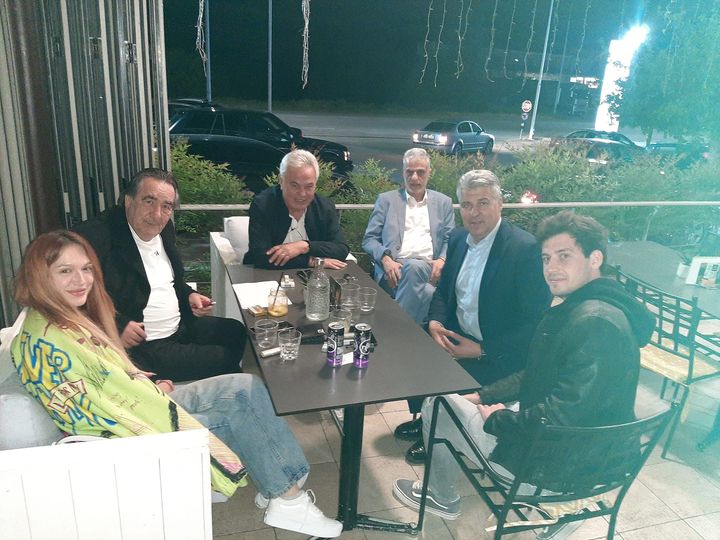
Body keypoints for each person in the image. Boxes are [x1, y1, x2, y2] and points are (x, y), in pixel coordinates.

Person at [11, 231, 343, 538]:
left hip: (145, 404)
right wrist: (152, 397)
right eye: (65, 271)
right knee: (239, 414)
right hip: (137, 435)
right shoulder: (47, 343)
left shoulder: (65, 319)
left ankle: (279, 484)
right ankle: (289, 500)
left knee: (246, 387)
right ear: (40, 275)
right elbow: (100, 416)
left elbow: (109, 381)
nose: (81, 280)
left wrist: (151, 386)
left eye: (86, 269)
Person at [392, 211, 655, 540]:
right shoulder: (594, 307)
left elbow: (560, 418)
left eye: (564, 256)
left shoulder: (593, 322)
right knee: (462, 400)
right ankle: (552, 506)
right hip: (582, 453)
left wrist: (498, 420)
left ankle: (443, 496)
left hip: (558, 468)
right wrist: (484, 396)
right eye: (546, 258)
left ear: (595, 259)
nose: (551, 268)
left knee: (438, 403)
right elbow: (537, 375)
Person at [394, 169, 550, 464]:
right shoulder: (458, 238)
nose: (474, 213)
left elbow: (535, 323)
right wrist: (436, 322)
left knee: (453, 383)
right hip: (457, 334)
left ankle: (437, 434)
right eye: (466, 205)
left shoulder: (524, 249)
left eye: (483, 203)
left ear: (500, 204)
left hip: (497, 351)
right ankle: (426, 418)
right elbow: (443, 292)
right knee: (415, 348)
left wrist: (482, 349)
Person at [74, 168, 246, 381]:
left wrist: (188, 294)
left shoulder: (165, 229)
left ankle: (220, 380)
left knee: (236, 331)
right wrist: (117, 325)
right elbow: (69, 296)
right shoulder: (95, 237)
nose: (157, 215)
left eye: (167, 206)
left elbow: (169, 278)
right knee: (222, 359)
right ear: (128, 200)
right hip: (144, 345)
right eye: (149, 201)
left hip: (179, 326)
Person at [362, 148, 455, 324]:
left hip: (429, 269)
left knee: (414, 267)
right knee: (428, 293)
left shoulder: (443, 202)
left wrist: (442, 259)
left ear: (429, 172)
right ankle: (411, 332)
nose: (414, 178)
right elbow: (369, 239)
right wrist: (386, 260)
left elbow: (450, 239)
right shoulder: (387, 200)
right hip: (394, 270)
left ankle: (398, 330)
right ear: (403, 172)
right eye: (409, 172)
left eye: (420, 172)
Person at [244, 149, 349, 269]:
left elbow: (341, 249)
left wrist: (304, 246)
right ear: (281, 181)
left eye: (309, 186)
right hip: (265, 276)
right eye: (295, 185)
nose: (302, 194)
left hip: (312, 277)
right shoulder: (263, 205)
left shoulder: (324, 207)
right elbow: (260, 257)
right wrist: (311, 261)